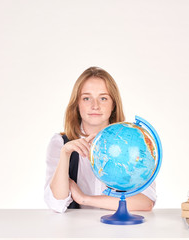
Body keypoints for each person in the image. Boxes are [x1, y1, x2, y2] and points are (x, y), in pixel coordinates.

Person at [44, 66, 156, 213]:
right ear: (77, 104)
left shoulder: (133, 141)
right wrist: (65, 154)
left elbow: (145, 202)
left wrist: (84, 199)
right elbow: (56, 204)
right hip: (75, 233)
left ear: (113, 104)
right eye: (86, 98)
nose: (95, 106)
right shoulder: (60, 143)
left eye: (103, 98)